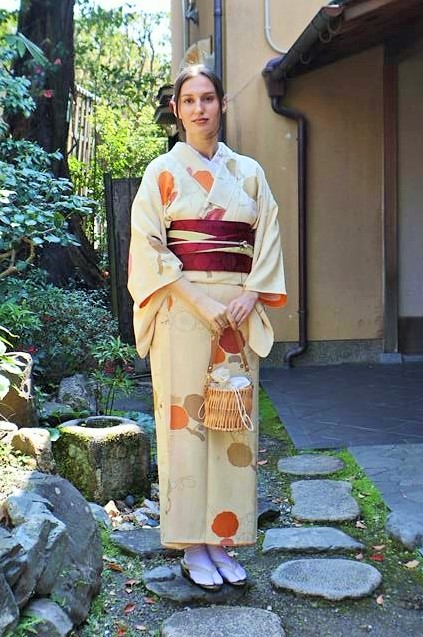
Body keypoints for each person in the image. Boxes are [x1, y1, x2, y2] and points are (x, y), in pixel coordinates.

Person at [128, 64, 286, 591]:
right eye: (190, 100)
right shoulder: (161, 173)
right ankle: (191, 542)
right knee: (185, 424)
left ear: (222, 104)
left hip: (237, 313)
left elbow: (268, 238)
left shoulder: (249, 172)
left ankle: (223, 538)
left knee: (233, 422)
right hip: (182, 311)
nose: (200, 108)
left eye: (208, 98)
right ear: (177, 110)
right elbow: (148, 245)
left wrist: (250, 295)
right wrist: (197, 299)